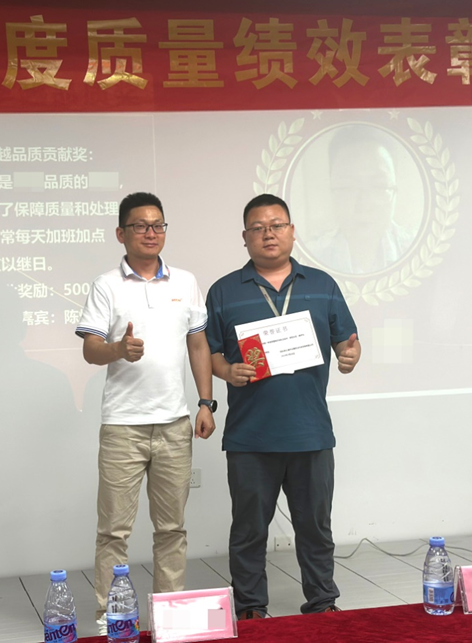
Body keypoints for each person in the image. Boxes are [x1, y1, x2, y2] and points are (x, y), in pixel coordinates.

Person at [205, 193, 361, 618]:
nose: (268, 234)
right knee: (249, 531)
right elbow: (209, 352)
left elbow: (347, 343)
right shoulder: (223, 291)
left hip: (310, 432)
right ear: (244, 237)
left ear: (292, 231)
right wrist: (226, 370)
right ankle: (251, 609)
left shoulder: (323, 285)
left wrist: (350, 356)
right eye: (258, 228)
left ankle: (323, 603)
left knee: (315, 528)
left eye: (276, 226)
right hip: (250, 436)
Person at [75, 192, 217, 634]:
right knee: (113, 532)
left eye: (158, 225)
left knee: (172, 529)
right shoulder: (106, 285)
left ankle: (169, 616)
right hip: (123, 427)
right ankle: (110, 618)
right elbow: (90, 349)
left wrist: (206, 402)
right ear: (121, 233)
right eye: (140, 225)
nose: (151, 233)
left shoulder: (185, 282)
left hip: (175, 424)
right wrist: (118, 349)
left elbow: (198, 345)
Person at [310, 126, 417, 274]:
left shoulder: (419, 253)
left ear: (395, 190)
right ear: (332, 191)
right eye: (347, 187)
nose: (364, 205)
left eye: (379, 186)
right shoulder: (308, 260)